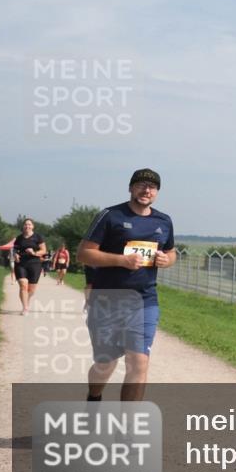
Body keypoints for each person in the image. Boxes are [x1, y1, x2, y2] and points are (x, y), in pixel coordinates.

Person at [77, 168, 176, 402]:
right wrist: (121, 260)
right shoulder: (110, 216)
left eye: (152, 187)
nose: (146, 190)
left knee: (139, 362)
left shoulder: (164, 221)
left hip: (144, 301)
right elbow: (84, 254)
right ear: (131, 187)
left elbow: (171, 252)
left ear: (157, 192)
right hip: (107, 301)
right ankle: (94, 397)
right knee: (105, 364)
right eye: (141, 184)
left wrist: (166, 260)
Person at [14, 218, 46, 315]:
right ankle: (25, 308)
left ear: (33, 226)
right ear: (23, 226)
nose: (27, 226)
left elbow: (43, 251)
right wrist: (15, 254)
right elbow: (14, 249)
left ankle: (26, 302)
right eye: (25, 224)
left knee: (31, 289)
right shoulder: (19, 238)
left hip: (35, 263)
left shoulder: (38, 237)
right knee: (23, 284)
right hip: (21, 263)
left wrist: (34, 252)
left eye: (29, 224)